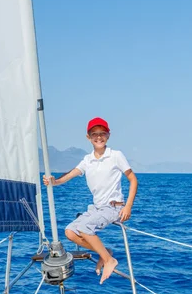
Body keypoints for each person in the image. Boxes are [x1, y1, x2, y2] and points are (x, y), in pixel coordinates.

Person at [43, 117, 138, 284]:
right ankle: (105, 252)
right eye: (94, 134)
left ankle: (109, 260)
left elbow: (133, 180)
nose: (99, 137)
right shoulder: (88, 160)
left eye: (102, 133)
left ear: (108, 135)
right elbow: (71, 174)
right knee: (70, 232)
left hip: (113, 207)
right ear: (88, 137)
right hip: (96, 208)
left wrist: (128, 206)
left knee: (84, 227)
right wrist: (54, 182)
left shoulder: (115, 155)